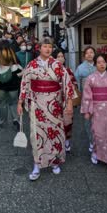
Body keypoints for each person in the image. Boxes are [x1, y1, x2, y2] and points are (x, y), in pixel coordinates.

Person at [18, 38, 74, 181]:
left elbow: (67, 84)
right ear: (39, 48)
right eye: (45, 46)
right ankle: (37, 164)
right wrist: (20, 101)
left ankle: (55, 162)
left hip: (54, 105)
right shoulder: (32, 65)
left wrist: (68, 103)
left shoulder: (57, 65)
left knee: (55, 133)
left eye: (50, 46)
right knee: (37, 135)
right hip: (37, 105)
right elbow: (25, 83)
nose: (48, 49)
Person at [81, 54, 107, 173]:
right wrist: (87, 111)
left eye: (103, 62)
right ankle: (95, 153)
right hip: (96, 109)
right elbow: (87, 96)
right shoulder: (91, 78)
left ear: (106, 63)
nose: (101, 64)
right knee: (97, 133)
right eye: (99, 62)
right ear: (95, 64)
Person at [0, 40, 23, 130]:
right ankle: (16, 119)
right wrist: (16, 78)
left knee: (2, 104)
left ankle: (2, 121)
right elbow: (20, 70)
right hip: (13, 86)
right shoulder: (14, 57)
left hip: (0, 86)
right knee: (13, 102)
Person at [53, 50, 78, 152]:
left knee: (67, 122)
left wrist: (70, 87)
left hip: (67, 101)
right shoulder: (50, 71)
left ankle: (67, 141)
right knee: (56, 123)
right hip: (54, 101)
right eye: (58, 56)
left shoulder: (69, 70)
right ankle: (57, 142)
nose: (60, 58)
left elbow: (74, 84)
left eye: (62, 56)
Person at [74, 46, 96, 152]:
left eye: (91, 52)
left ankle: (98, 141)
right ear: (84, 55)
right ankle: (91, 141)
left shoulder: (99, 65)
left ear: (94, 54)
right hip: (86, 97)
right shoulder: (80, 68)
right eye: (87, 53)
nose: (89, 54)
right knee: (88, 120)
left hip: (99, 98)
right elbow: (76, 82)